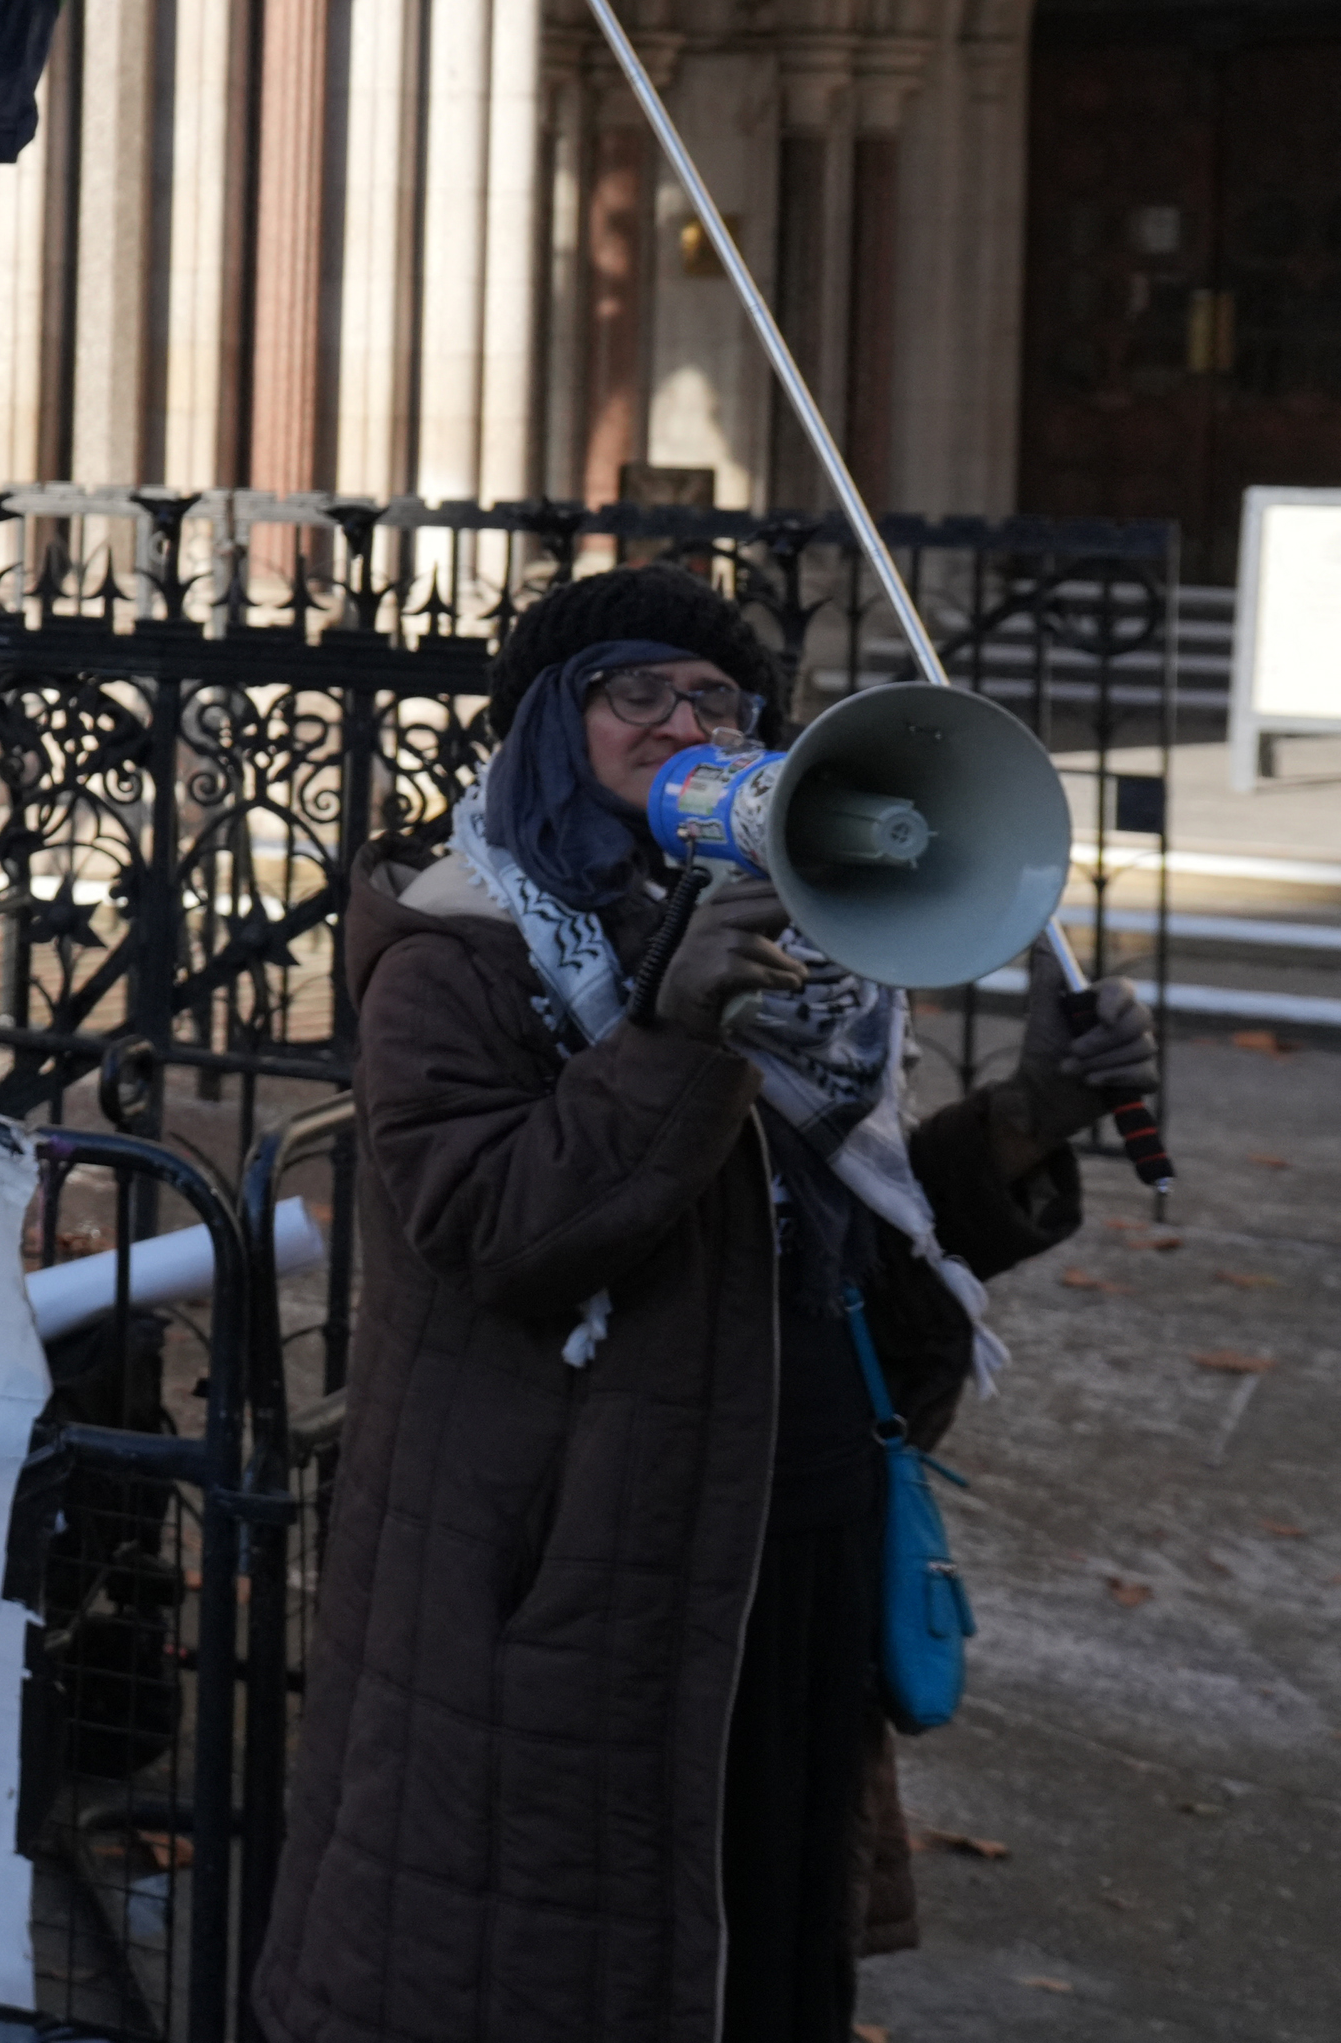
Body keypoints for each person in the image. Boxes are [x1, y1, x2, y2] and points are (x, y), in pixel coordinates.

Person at [258, 564, 1158, 2043]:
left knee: (759, 1932)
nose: (686, 721)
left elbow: (832, 1249)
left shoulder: (806, 956)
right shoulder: (456, 951)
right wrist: (676, 1034)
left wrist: (1028, 1117)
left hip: (777, 1540)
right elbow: (493, 1231)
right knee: (564, 1965)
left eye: (721, 702)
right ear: (556, 722)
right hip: (570, 1569)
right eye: (639, 692)